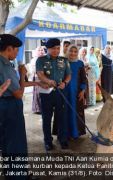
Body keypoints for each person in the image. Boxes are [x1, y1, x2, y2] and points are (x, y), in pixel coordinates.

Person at [0, 34, 45, 179]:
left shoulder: (4, 63)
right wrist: (22, 73)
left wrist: (37, 83)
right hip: (10, 107)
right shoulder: (4, 66)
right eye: (16, 50)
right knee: (16, 143)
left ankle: (11, 173)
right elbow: (18, 93)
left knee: (7, 143)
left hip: (6, 105)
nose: (17, 53)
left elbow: (16, 86)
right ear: (9, 49)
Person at [36, 38, 72, 151]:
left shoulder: (64, 60)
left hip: (60, 93)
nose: (56, 51)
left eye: (58, 48)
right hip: (46, 94)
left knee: (62, 117)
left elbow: (69, 75)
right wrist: (48, 81)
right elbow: (40, 74)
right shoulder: (41, 60)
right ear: (48, 49)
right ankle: (48, 141)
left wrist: (65, 83)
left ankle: (63, 140)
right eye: (53, 49)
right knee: (46, 118)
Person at [66, 45, 87, 139]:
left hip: (77, 93)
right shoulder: (64, 62)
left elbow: (84, 78)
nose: (73, 53)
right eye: (71, 51)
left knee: (77, 112)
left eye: (75, 51)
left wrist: (83, 91)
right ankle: (66, 134)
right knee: (66, 113)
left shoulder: (80, 63)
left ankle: (76, 133)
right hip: (65, 93)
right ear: (68, 51)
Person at [29, 46, 45, 114]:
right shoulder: (34, 60)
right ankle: (37, 109)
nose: (41, 51)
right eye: (39, 50)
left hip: (44, 78)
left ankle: (43, 107)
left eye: (42, 50)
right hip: (37, 77)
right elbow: (33, 70)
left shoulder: (45, 59)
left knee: (43, 93)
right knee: (38, 93)